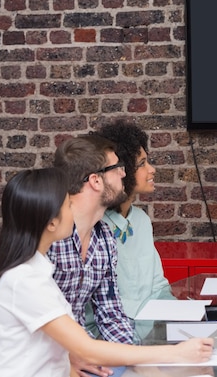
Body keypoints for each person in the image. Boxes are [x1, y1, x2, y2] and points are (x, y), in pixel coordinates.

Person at [0, 167, 213, 377]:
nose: (74, 210)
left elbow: (65, 351)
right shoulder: (25, 281)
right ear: (51, 223)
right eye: (67, 205)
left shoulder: (35, 271)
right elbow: (88, 350)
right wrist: (176, 354)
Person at [0, 135, 137, 377]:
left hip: (84, 357)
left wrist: (133, 360)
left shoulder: (105, 238)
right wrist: (69, 357)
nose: (124, 174)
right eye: (117, 168)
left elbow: (111, 313)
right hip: (47, 363)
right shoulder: (45, 235)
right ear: (95, 180)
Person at [84, 120, 175, 341]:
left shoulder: (141, 221)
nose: (152, 169)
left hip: (145, 334)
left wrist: (179, 317)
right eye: (142, 164)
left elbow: (158, 286)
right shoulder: (93, 228)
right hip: (105, 339)